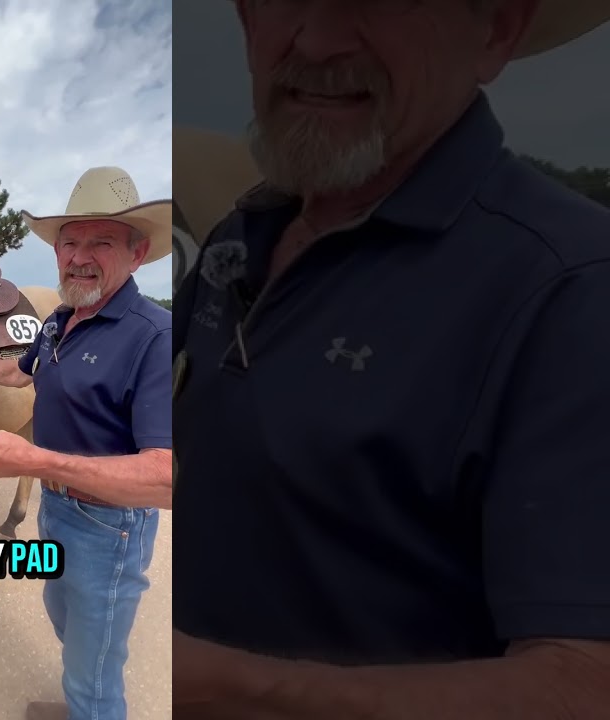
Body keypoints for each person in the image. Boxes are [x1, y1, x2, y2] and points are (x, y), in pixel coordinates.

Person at [172, 0, 610, 717]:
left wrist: (219, 688)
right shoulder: (242, 232)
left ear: (495, 29)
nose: (313, 40)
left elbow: (586, 685)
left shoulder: (572, 289)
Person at [0, 166, 173, 720]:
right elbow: (20, 373)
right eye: (69, 241)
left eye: (100, 241)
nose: (79, 255)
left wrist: (32, 459)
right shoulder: (62, 319)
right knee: (63, 618)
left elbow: (167, 479)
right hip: (55, 511)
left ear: (138, 251)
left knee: (93, 682)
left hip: (110, 528)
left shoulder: (154, 337)